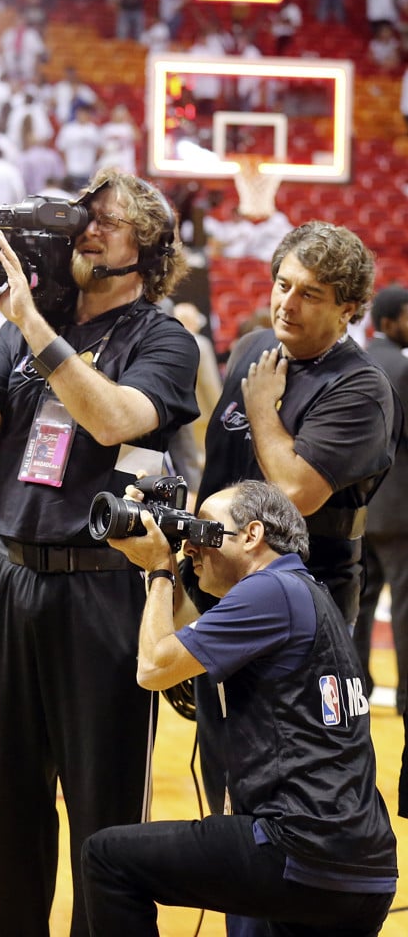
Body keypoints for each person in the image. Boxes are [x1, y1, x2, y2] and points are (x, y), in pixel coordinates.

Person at [0, 167, 201, 937]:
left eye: (107, 222)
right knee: (0, 809)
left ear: (148, 248)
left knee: (103, 813)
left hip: (103, 591)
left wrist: (34, 329)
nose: (86, 230)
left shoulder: (162, 337)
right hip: (7, 580)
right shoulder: (27, 326)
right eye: (82, 219)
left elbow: (115, 418)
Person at [192, 221, 402, 937]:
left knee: (292, 770)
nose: (287, 304)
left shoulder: (362, 387)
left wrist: (261, 411)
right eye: (282, 285)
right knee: (235, 771)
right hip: (231, 597)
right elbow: (218, 477)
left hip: (310, 609)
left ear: (348, 308)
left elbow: (295, 494)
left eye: (310, 294)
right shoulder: (253, 349)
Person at [81, 480, 398, 937]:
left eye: (207, 530)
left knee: (107, 859)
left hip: (297, 849)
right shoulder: (302, 592)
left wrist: (159, 572)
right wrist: (154, 555)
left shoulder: (269, 592)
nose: (193, 544)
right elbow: (187, 637)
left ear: (252, 535)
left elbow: (153, 667)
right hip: (360, 867)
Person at [353, 285, 408, 710]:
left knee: (359, 605)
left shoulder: (354, 359)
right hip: (399, 509)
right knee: (404, 606)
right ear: (390, 321)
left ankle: (357, 689)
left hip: (357, 506)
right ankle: (406, 692)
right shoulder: (402, 368)